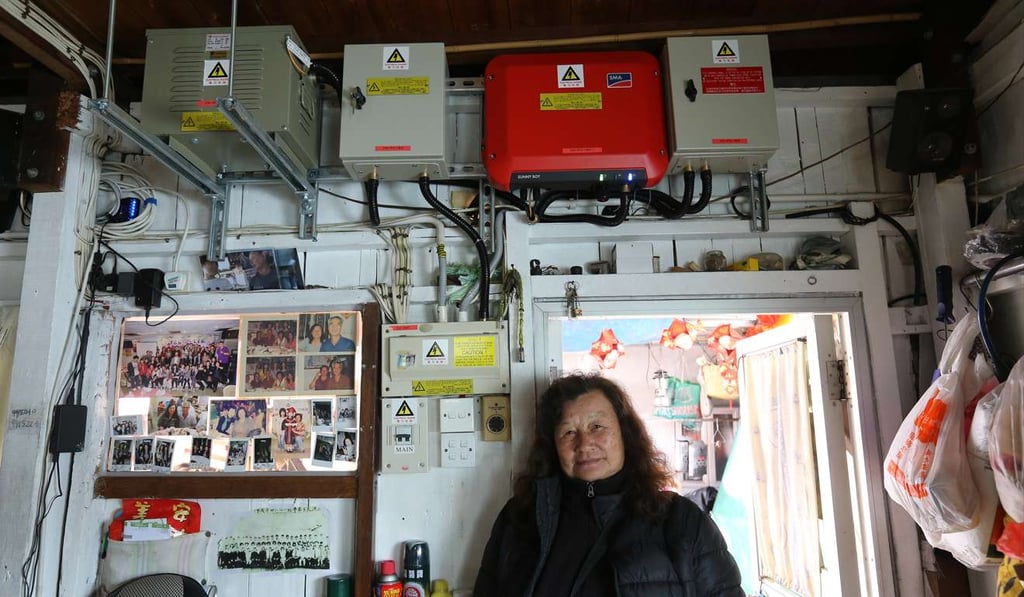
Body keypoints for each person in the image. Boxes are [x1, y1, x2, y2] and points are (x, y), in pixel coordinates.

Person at [473, 374, 743, 597]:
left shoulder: (681, 521)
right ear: (553, 445)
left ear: (624, 434)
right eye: (568, 432)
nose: (584, 444)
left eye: (597, 426)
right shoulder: (519, 519)